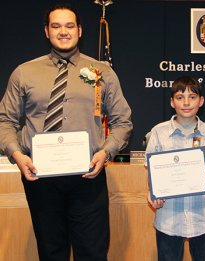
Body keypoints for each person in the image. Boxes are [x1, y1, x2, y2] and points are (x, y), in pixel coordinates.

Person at [0, 4, 132, 260]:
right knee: (51, 252)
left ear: (80, 30)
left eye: (69, 25)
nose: (63, 31)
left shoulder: (102, 72)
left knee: (92, 252)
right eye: (56, 26)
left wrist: (106, 152)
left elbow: (122, 121)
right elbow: (5, 120)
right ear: (46, 31)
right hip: (39, 177)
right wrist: (17, 155)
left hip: (88, 176)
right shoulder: (24, 72)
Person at [145, 76, 205, 261]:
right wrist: (154, 193)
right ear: (172, 102)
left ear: (201, 101)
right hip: (169, 218)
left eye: (192, 96)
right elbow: (152, 172)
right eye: (180, 97)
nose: (186, 102)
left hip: (203, 217)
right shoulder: (158, 132)